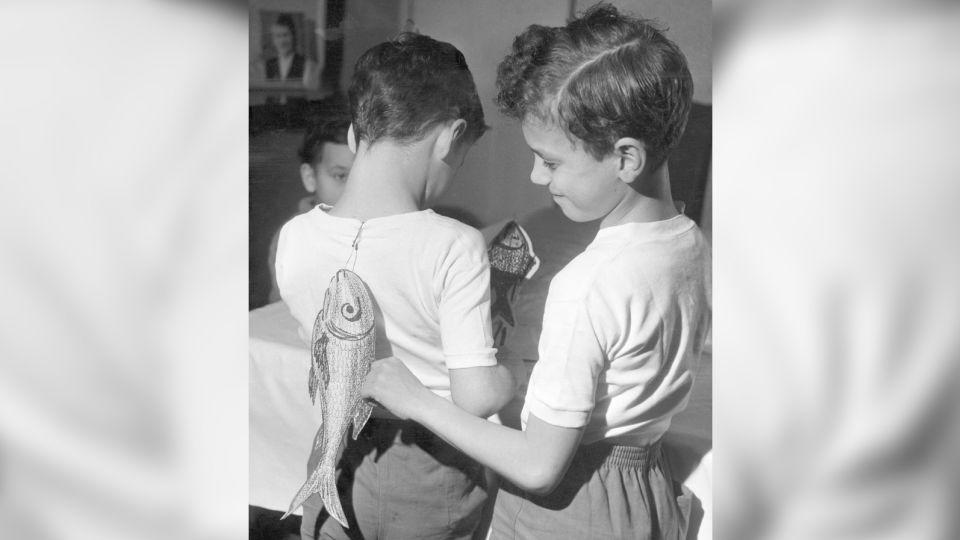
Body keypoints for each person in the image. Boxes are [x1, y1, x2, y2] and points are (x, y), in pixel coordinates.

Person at [361, 5, 711, 539]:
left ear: (626, 159)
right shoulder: (687, 239)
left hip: (566, 509)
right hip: (643, 492)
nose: (534, 174)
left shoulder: (586, 284)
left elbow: (537, 467)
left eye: (550, 161)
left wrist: (415, 399)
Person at [275, 32, 515, 540]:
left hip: (336, 448)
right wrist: (508, 375)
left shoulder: (294, 237)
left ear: (355, 135)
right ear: (451, 137)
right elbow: (475, 398)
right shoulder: (455, 244)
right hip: (430, 466)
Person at [267, 111, 354, 303]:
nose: (353, 189)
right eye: (341, 176)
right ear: (310, 178)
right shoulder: (294, 236)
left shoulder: (379, 226)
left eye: (361, 176)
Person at [263, 14, 318, 89]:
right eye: (278, 36)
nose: (282, 41)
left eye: (285, 35)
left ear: (293, 37)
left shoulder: (306, 63)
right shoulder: (268, 65)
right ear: (273, 40)